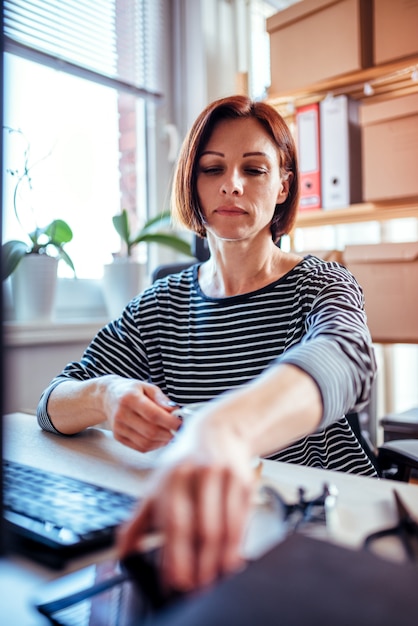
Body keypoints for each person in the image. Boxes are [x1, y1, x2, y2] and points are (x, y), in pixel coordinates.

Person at [37, 95, 377, 591]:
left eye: (254, 170)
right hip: (204, 533)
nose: (231, 184)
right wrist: (106, 397)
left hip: (323, 529)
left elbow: (346, 358)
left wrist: (223, 432)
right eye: (212, 167)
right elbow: (53, 401)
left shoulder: (323, 284)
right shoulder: (161, 304)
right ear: (192, 185)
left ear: (283, 185)